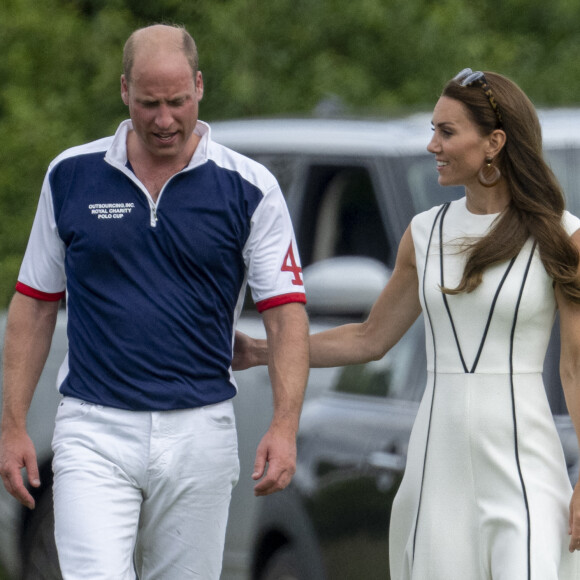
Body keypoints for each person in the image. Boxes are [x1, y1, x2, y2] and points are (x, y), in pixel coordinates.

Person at [233, 69, 580, 579]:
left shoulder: (563, 238)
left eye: (446, 132)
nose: (431, 144)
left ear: (494, 143)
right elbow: (369, 338)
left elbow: (574, 366)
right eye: (432, 130)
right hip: (435, 466)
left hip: (525, 465)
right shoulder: (425, 234)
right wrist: (265, 351)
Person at [0, 24, 309, 580]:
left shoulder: (250, 186)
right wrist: (13, 424)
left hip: (201, 429)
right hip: (93, 426)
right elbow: (35, 303)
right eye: (148, 104)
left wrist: (284, 427)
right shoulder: (71, 174)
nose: (164, 120)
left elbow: (286, 316)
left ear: (199, 87)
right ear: (124, 91)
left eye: (176, 102)